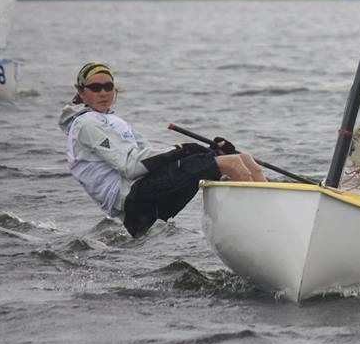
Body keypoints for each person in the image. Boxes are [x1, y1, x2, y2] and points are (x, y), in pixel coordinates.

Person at [58, 62, 266, 237]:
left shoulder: (112, 121)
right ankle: (262, 228)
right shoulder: (86, 124)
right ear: (81, 92)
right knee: (231, 163)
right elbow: (131, 166)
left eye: (108, 86)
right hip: (135, 199)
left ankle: (269, 217)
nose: (103, 92)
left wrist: (207, 152)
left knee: (241, 158)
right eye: (95, 88)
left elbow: (148, 157)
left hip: (144, 193)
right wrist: (182, 150)